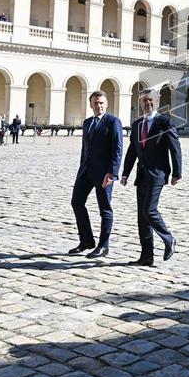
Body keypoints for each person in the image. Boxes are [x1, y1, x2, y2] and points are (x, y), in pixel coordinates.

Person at [120, 88, 182, 265]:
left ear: (157, 101)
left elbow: (175, 148)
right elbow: (132, 150)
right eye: (144, 101)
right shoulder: (137, 124)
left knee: (149, 210)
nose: (147, 103)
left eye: (150, 100)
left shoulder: (164, 122)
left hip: (158, 173)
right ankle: (146, 256)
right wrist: (125, 173)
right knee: (142, 217)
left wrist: (177, 173)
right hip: (141, 175)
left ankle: (169, 238)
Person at [69, 91, 123, 259]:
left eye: (101, 103)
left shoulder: (113, 122)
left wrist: (112, 173)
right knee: (76, 202)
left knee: (104, 209)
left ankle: (103, 246)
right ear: (90, 104)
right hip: (85, 171)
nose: (98, 106)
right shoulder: (87, 123)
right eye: (95, 103)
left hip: (104, 174)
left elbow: (118, 149)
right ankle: (86, 240)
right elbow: (85, 149)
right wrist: (81, 167)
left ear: (106, 104)